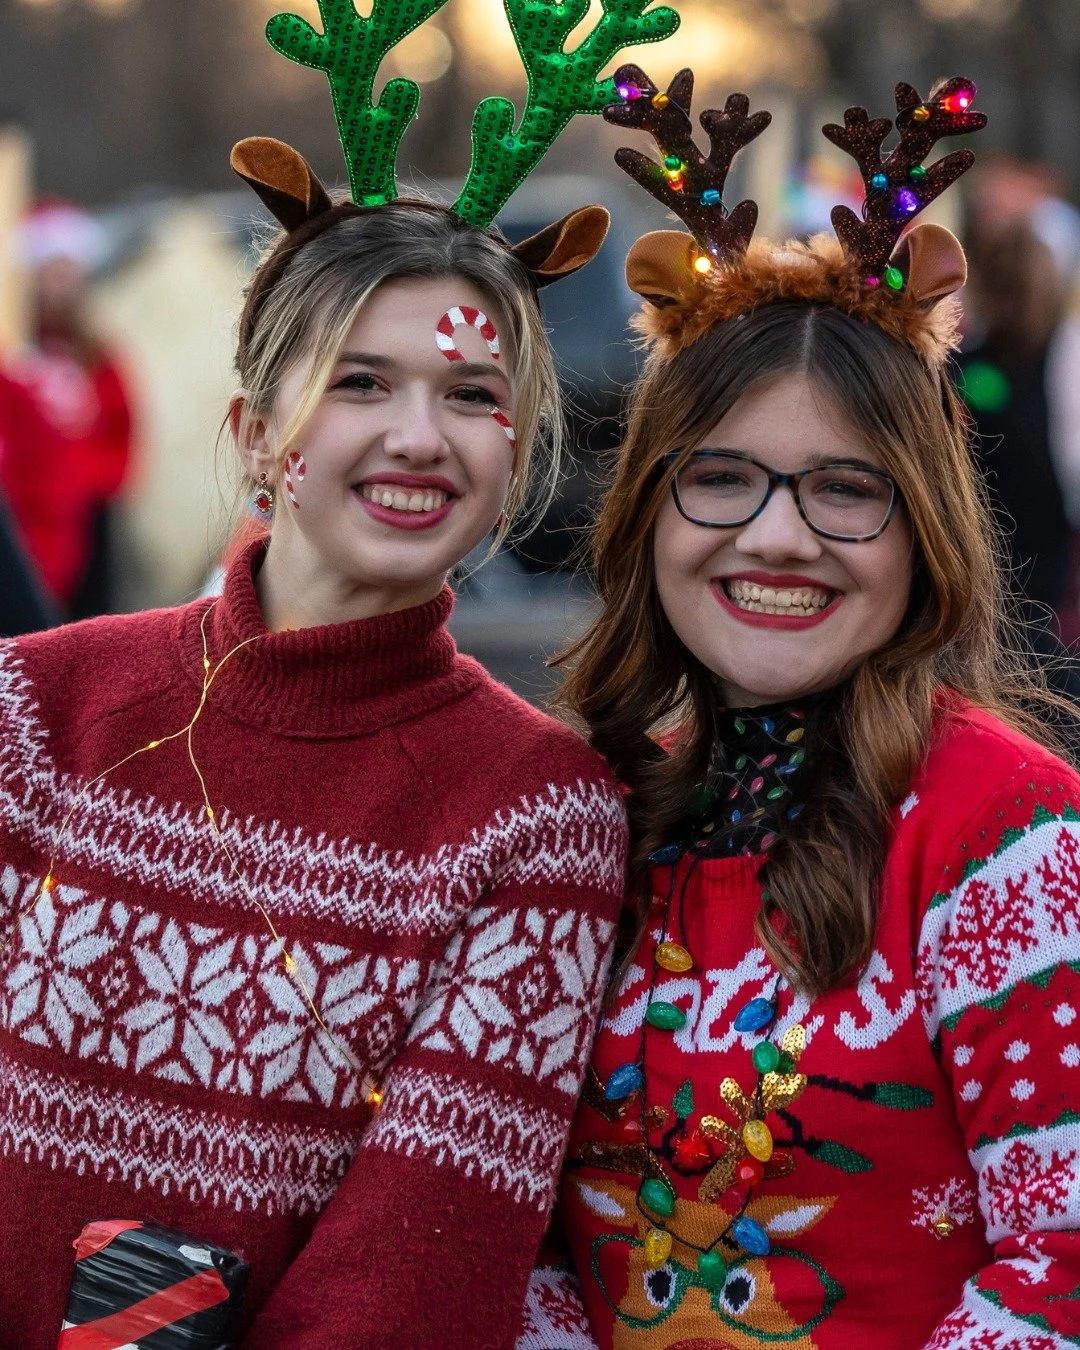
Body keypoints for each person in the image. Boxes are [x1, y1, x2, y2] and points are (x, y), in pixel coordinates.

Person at [0, 12, 639, 1338]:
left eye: (472, 395)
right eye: (362, 381)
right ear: (255, 429)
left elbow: (409, 1279)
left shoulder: (537, 820)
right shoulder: (36, 712)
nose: (420, 437)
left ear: (517, 454)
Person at [528, 68, 1080, 1349]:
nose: (778, 539)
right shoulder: (587, 814)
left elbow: (1060, 1265)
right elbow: (520, 1239)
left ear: (924, 531)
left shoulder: (1010, 838)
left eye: (846, 488)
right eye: (721, 477)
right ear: (648, 514)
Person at [0, 200, 136, 618]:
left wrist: (91, 478)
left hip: (85, 513)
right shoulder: (13, 357)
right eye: (52, 273)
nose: (62, 285)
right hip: (23, 514)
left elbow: (122, 429)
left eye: (70, 273)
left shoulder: (97, 358)